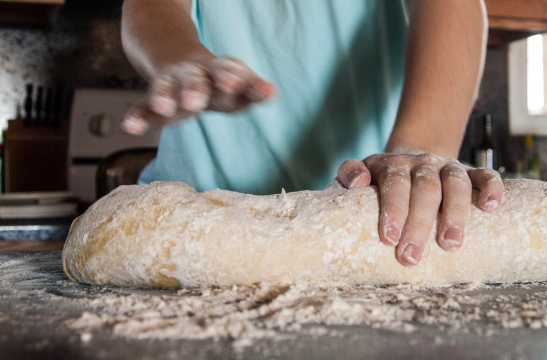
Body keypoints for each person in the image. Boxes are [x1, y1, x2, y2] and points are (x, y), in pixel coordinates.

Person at [120, 0, 504, 267]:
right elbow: (155, 5)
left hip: (369, 217)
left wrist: (419, 150)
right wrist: (184, 59)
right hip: (188, 220)